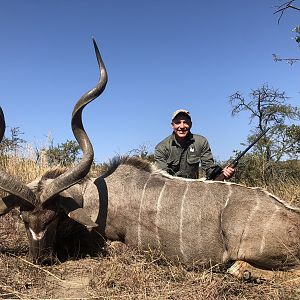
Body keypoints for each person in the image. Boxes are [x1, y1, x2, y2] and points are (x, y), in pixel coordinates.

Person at [154, 109, 235, 180]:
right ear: (172, 125)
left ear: (191, 124)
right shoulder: (161, 147)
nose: (182, 126)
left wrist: (222, 174)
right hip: (171, 188)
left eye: (185, 122)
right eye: (178, 122)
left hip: (193, 189)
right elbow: (163, 177)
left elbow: (209, 168)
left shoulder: (201, 142)